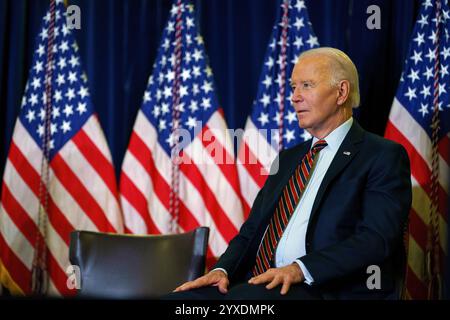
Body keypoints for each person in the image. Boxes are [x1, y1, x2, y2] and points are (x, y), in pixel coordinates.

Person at [165, 47, 412, 300]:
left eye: (306, 85)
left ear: (341, 92)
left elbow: (376, 239)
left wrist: (300, 269)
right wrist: (222, 269)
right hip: (259, 284)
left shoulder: (381, 155)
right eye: (293, 87)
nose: (294, 97)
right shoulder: (288, 159)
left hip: (325, 288)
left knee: (247, 301)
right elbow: (251, 231)